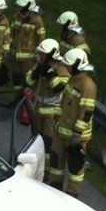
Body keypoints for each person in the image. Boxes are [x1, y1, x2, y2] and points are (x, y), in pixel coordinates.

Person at [50, 48, 97, 197]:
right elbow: (64, 103)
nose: (66, 67)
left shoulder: (87, 86)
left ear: (77, 65)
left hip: (76, 136)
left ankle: (72, 194)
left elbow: (86, 113)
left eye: (68, 65)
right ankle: (55, 188)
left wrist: (77, 135)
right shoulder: (72, 79)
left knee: (75, 167)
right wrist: (56, 120)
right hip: (62, 130)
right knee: (56, 161)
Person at [27, 39, 70, 181]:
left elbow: (59, 87)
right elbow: (28, 81)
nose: (40, 56)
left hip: (51, 112)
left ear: (51, 55)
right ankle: (34, 166)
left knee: (48, 141)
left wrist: (51, 74)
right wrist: (35, 74)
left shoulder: (62, 69)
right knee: (35, 138)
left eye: (43, 54)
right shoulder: (39, 65)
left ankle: (46, 171)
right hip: (37, 108)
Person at [10, 0, 46, 85]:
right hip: (15, 54)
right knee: (15, 77)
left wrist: (39, 54)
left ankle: (25, 93)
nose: (20, 8)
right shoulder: (17, 16)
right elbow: (11, 33)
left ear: (28, 6)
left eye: (22, 6)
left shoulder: (37, 20)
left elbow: (41, 39)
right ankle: (16, 93)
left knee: (26, 79)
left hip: (29, 58)